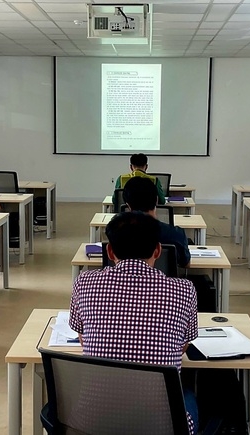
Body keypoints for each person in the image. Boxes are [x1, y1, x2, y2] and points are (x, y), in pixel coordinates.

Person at [69, 212, 199, 433]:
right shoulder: (184, 290)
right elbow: (183, 345)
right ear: (158, 250)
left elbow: (81, 336)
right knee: (191, 394)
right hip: (161, 426)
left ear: (109, 251)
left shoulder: (84, 282)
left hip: (93, 423)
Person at [123, 176, 190, 267]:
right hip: (166, 280)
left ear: (128, 206)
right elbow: (185, 263)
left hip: (126, 281)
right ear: (157, 200)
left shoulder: (118, 235)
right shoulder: (176, 234)